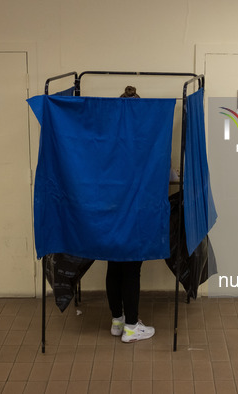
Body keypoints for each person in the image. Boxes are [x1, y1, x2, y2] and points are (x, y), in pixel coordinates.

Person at [106, 86, 155, 343]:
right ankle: (132, 327)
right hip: (135, 211)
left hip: (111, 210)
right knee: (131, 268)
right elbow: (162, 174)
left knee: (113, 264)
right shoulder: (146, 137)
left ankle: (117, 321)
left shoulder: (107, 138)